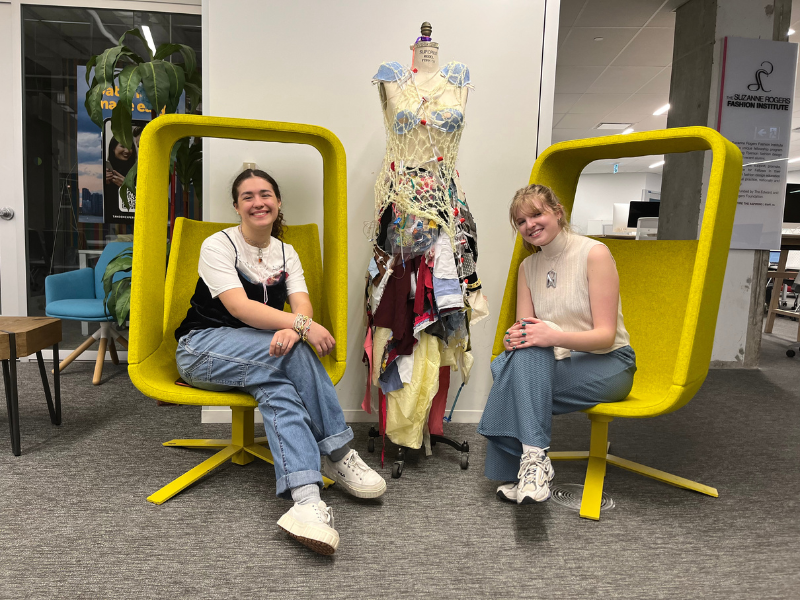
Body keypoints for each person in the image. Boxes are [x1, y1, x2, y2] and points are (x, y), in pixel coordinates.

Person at [174, 169, 386, 555]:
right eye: (248, 196)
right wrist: (302, 327)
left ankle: (306, 502)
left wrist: (296, 327)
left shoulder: (286, 252)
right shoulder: (217, 245)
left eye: (266, 194)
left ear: (278, 202)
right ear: (236, 206)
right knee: (295, 355)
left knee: (280, 390)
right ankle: (338, 453)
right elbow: (242, 308)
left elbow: (300, 301)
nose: (259, 202)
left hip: (262, 354)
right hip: (202, 350)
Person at [364, 23, 488, 450]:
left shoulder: (458, 78)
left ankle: (429, 423)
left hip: (448, 208)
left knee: (442, 305)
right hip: (401, 209)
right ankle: (399, 421)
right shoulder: (391, 77)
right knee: (401, 306)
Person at [477, 184, 637, 504]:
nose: (530, 225)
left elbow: (605, 335)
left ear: (558, 212)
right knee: (524, 348)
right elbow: (529, 333)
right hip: (561, 361)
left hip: (610, 362)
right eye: (521, 221)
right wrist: (515, 339)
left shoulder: (594, 253)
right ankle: (534, 465)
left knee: (512, 381)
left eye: (537, 214)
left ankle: (530, 466)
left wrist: (553, 337)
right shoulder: (528, 267)